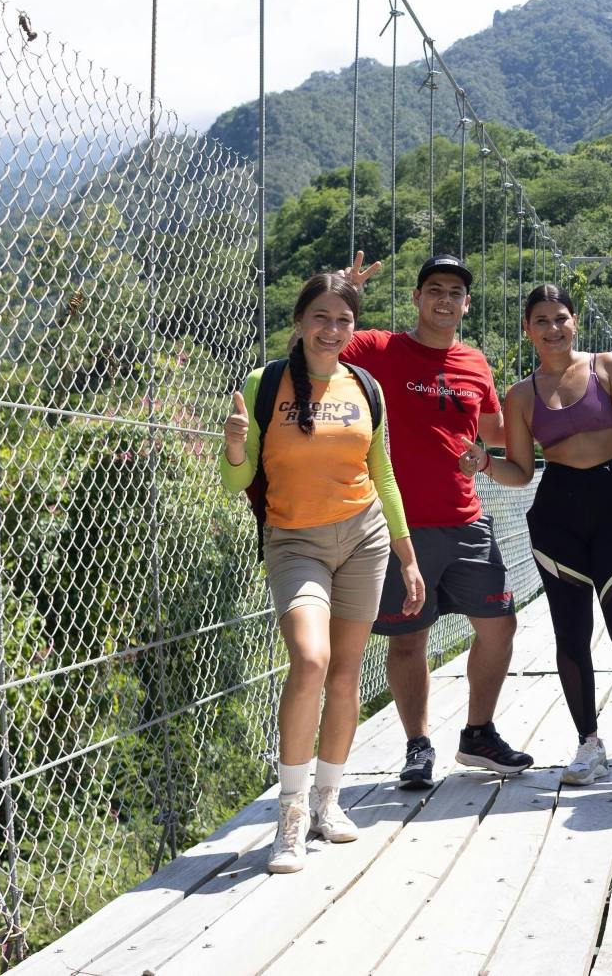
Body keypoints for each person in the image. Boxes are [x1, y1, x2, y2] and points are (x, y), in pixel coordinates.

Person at [220, 273, 427, 873]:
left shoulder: (365, 386)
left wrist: (407, 556)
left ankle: (328, 803)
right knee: (310, 660)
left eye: (343, 320)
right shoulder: (265, 385)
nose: (332, 330)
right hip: (294, 541)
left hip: (364, 538)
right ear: (299, 320)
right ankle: (289, 816)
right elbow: (237, 481)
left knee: (345, 674)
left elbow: (382, 476)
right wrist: (235, 448)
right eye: (321, 317)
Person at [337, 251, 534, 788]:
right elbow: (318, 342)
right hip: (401, 528)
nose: (445, 300)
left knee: (501, 626)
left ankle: (477, 734)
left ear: (466, 306)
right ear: (417, 298)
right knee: (408, 638)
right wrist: (345, 288)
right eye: (435, 290)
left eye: (455, 293)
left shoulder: (475, 363)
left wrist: (564, 409)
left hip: (467, 519)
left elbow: (493, 430)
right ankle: (418, 747)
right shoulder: (380, 349)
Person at [473, 284, 612, 793]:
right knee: (571, 636)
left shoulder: (608, 368)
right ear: (528, 330)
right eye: (540, 320)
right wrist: (485, 465)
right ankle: (590, 744)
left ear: (575, 321)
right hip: (555, 521)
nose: (552, 328)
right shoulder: (521, 394)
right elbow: (521, 470)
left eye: (560, 318)